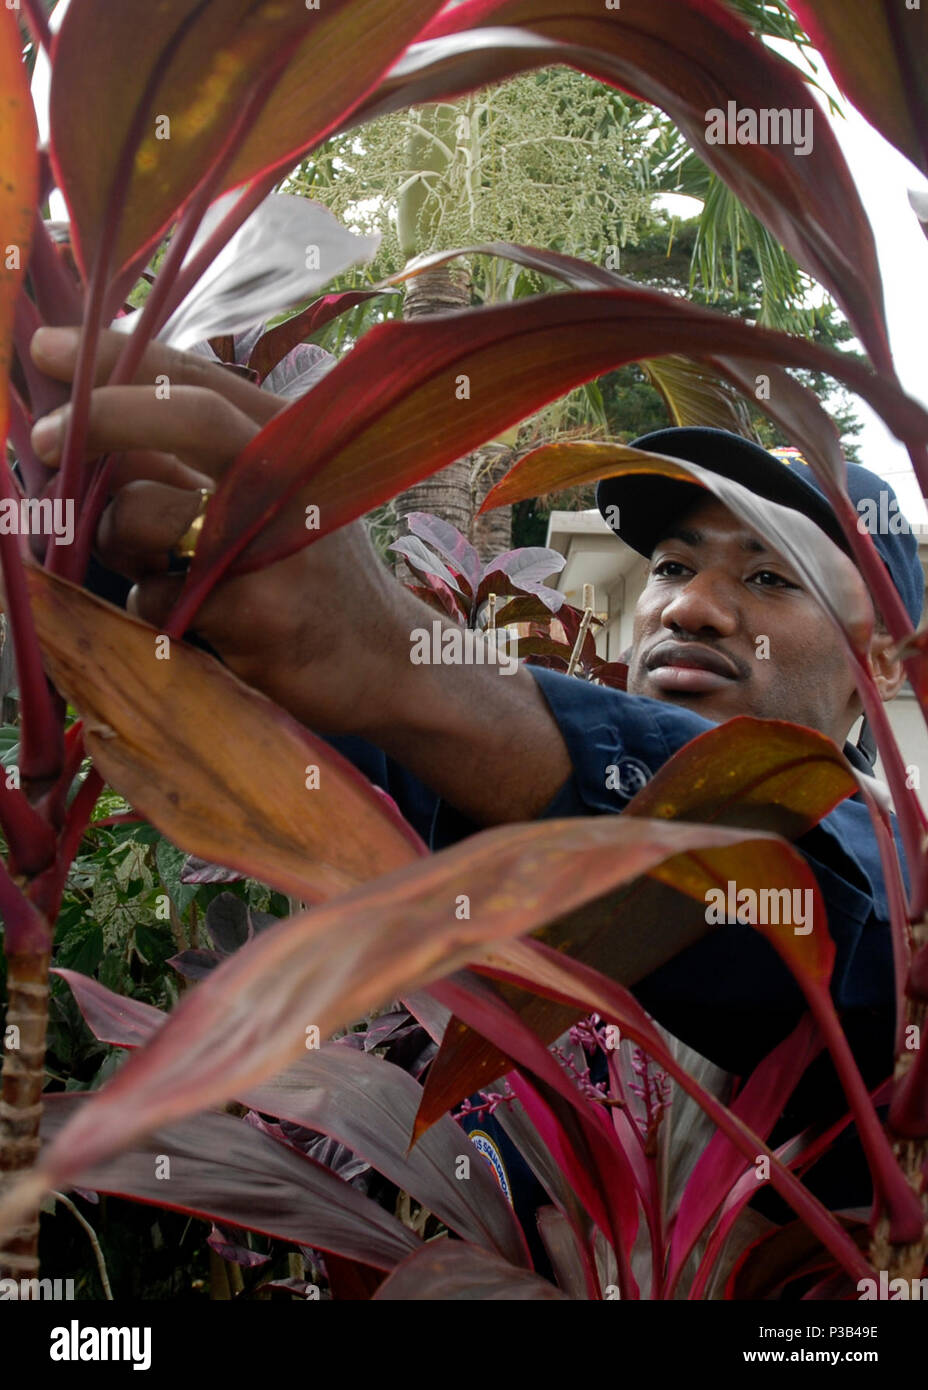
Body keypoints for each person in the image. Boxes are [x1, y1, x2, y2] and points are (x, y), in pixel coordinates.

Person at [27, 327, 923, 1256]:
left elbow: (843, 950)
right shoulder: (493, 801)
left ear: (875, 666)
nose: (690, 606)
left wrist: (405, 669)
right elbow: (261, 695)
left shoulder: (898, 886)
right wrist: (90, 495)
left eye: (770, 576)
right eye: (671, 565)